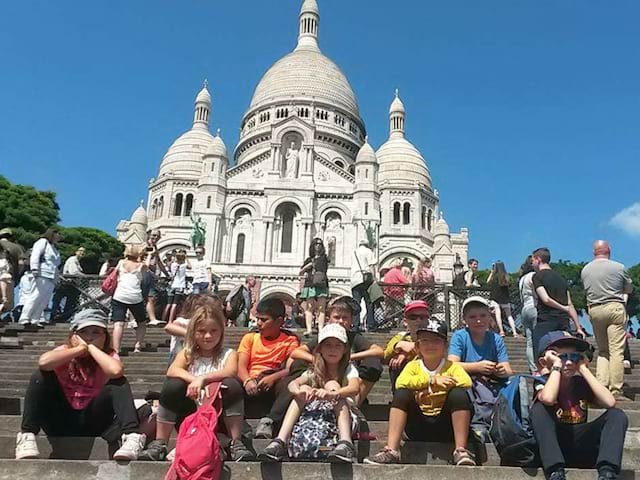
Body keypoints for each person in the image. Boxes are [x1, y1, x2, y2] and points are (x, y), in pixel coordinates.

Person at [15, 309, 146, 460]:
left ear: (105, 337)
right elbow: (44, 363)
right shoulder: (64, 351)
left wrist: (90, 348)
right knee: (40, 375)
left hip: (93, 420)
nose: (89, 337)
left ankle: (131, 436)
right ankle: (27, 435)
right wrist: (79, 349)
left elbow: (116, 371)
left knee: (118, 382)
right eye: (84, 332)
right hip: (60, 419)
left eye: (96, 332)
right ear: (74, 335)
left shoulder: (108, 355)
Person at [138, 298, 253, 462]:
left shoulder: (229, 354)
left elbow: (230, 371)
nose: (208, 336)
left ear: (221, 331)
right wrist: (193, 379)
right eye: (201, 331)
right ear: (193, 332)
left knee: (232, 384)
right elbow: (173, 370)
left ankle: (236, 442)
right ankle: (160, 443)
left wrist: (203, 379)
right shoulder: (187, 353)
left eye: (214, 330)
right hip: (190, 412)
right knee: (173, 384)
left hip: (218, 413)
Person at [364, 318, 476, 466]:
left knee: (459, 394)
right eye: (425, 341)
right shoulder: (412, 366)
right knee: (402, 394)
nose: (430, 345)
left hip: (445, 426)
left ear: (445, 346)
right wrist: (431, 381)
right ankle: (391, 450)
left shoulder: (452, 367)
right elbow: (401, 383)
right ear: (417, 346)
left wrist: (429, 390)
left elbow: (466, 382)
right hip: (417, 426)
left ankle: (461, 451)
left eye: (436, 341)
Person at [531, 331, 628, 480]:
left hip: (582, 447)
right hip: (555, 447)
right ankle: (555, 471)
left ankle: (607, 471)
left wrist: (583, 369)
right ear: (545, 361)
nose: (569, 363)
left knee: (617, 415)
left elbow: (610, 402)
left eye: (574, 357)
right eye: (562, 357)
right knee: (539, 409)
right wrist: (556, 366)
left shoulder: (581, 383)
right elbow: (549, 398)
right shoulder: (542, 381)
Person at [259, 324, 360, 463]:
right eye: (328, 345)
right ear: (320, 349)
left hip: (345, 417)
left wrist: (333, 394)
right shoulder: (314, 370)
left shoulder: (349, 369)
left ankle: (346, 443)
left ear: (344, 350)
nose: (333, 349)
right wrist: (300, 390)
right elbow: (293, 383)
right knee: (299, 396)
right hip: (317, 418)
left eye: (338, 345)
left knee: (333, 386)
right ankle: (280, 441)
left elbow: (355, 388)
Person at [288, 296, 384, 407]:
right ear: (329, 319)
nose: (341, 321)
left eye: (345, 318)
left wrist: (351, 357)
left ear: (351, 320)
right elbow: (296, 352)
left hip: (346, 377)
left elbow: (379, 351)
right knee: (297, 363)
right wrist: (318, 360)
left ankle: (356, 403)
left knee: (373, 363)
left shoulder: (354, 337)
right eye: (337, 317)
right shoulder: (326, 336)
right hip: (323, 376)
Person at [448, 296, 513, 441]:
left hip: (491, 381)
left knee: (515, 383)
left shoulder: (496, 339)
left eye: (483, 316)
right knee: (463, 384)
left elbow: (508, 369)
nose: (478, 320)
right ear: (465, 319)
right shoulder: (460, 336)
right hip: (469, 382)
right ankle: (478, 425)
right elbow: (451, 364)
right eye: (473, 317)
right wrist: (478, 367)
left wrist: (500, 370)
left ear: (489, 316)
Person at [237, 298, 300, 439]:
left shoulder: (290, 340)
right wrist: (247, 380)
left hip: (273, 381)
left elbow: (291, 368)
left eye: (264, 320)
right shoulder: (250, 337)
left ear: (279, 321)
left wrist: (273, 377)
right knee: (230, 383)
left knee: (293, 382)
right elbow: (240, 366)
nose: (259, 324)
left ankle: (270, 421)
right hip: (250, 380)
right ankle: (239, 425)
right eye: (258, 319)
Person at [581, 240, 634, 400]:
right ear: (609, 250)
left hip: (595, 309)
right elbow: (629, 288)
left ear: (594, 252)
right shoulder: (619, 267)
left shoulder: (586, 269)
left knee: (603, 350)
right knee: (616, 350)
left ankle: (601, 385)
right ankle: (615, 389)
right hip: (614, 307)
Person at [531, 247, 586, 354]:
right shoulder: (561, 278)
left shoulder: (537, 277)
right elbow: (570, 304)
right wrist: (578, 326)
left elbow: (546, 299)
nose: (532, 264)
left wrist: (563, 307)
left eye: (532, 261)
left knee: (540, 353)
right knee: (562, 353)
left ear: (538, 259)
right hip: (563, 322)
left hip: (546, 320)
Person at [19, 227, 62, 326]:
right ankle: (25, 317)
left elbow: (56, 265)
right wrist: (34, 268)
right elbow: (36, 254)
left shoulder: (55, 248)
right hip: (41, 273)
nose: (59, 237)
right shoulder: (43, 242)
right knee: (36, 295)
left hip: (51, 276)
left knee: (44, 299)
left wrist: (56, 279)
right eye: (57, 234)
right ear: (52, 234)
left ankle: (35, 319)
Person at [383, 300, 429, 393]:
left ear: (428, 320)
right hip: (406, 384)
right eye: (413, 317)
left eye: (423, 317)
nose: (418, 320)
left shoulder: (434, 337)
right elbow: (385, 355)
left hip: (429, 378)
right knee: (394, 361)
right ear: (405, 321)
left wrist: (407, 352)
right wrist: (399, 345)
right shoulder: (400, 336)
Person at [110, 244, 148, 354]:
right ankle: (137, 345)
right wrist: (149, 255)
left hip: (120, 295)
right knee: (141, 322)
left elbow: (115, 273)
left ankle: (116, 349)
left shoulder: (121, 263)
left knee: (118, 323)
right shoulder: (141, 265)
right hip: (135, 296)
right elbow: (147, 268)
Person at [165, 293, 212, 364]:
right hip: (178, 355)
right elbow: (169, 327)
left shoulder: (203, 323)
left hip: (195, 356)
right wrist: (190, 334)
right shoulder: (183, 321)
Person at [299, 238, 330, 337]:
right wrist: (307, 266)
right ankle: (309, 329)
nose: (318, 246)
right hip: (310, 283)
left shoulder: (324, 258)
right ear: (312, 246)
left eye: (320, 244)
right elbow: (300, 272)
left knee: (321, 308)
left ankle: (321, 329)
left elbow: (324, 267)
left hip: (321, 283)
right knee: (309, 307)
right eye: (316, 244)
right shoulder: (308, 259)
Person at [51, 247, 86, 322]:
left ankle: (63, 317)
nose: (82, 253)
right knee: (64, 300)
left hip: (70, 284)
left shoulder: (77, 262)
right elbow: (73, 272)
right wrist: (84, 276)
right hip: (67, 284)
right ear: (76, 252)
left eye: (83, 252)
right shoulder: (73, 260)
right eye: (80, 251)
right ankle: (57, 316)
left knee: (69, 302)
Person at [143, 230, 169, 327]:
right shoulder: (144, 245)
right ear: (149, 235)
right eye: (154, 235)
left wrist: (167, 274)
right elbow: (142, 261)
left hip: (151, 275)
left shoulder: (155, 248)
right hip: (144, 274)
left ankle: (147, 318)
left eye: (157, 236)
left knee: (150, 298)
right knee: (150, 297)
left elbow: (159, 262)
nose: (155, 238)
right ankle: (152, 319)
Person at [350, 239, 376, 332]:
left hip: (354, 280)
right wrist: (374, 279)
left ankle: (355, 325)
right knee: (369, 302)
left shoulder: (354, 252)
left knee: (356, 303)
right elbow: (371, 266)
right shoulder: (369, 251)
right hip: (366, 280)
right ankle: (370, 325)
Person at [486, 261, 518, 337]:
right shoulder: (506, 276)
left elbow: (487, 282)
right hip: (505, 298)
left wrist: (491, 272)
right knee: (509, 316)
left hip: (495, 298)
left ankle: (501, 331)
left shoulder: (494, 277)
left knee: (498, 314)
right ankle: (514, 332)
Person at [161, 249, 191, 326]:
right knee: (174, 304)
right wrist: (186, 258)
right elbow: (190, 266)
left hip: (172, 285)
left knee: (168, 304)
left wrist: (174, 257)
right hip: (180, 285)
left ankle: (163, 319)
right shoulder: (183, 266)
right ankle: (170, 320)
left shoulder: (173, 265)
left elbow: (168, 265)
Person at [0, 228, 25, 318]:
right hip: (8, 275)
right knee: (7, 303)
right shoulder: (16, 247)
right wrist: (18, 274)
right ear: (10, 236)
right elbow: (21, 263)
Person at [519, 255, 538, 372]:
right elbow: (537, 293)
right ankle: (539, 365)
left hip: (524, 309)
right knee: (538, 338)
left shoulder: (522, 279)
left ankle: (533, 368)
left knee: (529, 342)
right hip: (533, 306)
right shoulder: (533, 276)